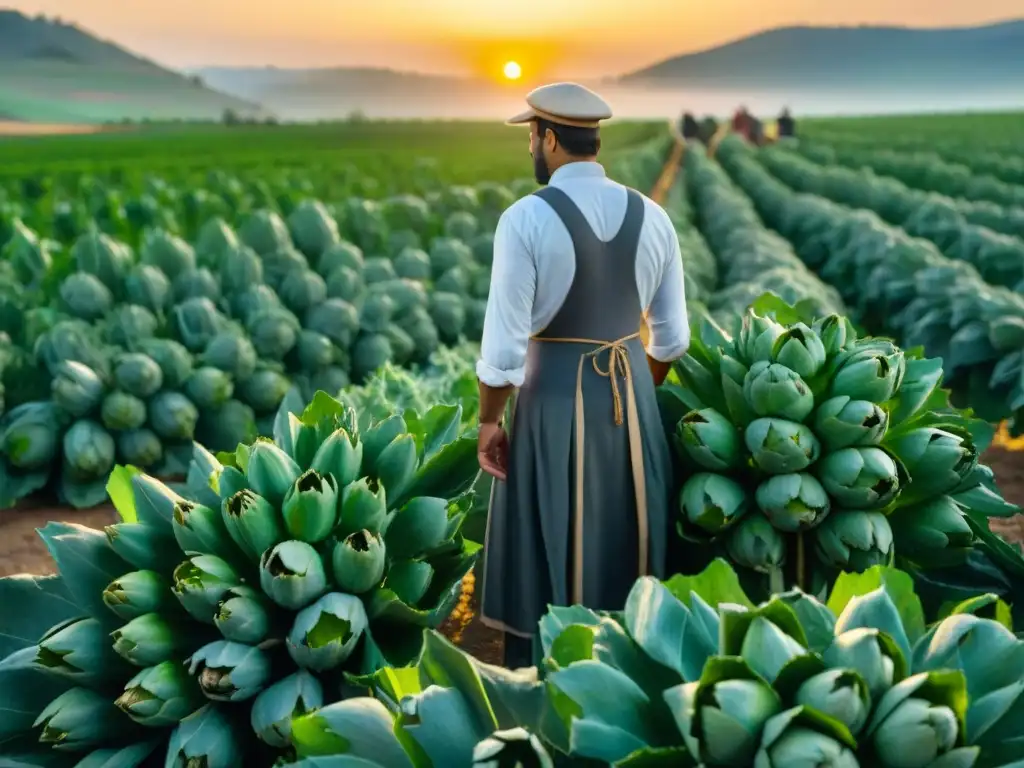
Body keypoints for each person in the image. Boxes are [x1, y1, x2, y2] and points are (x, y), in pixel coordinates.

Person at [475, 82, 691, 668]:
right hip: (634, 398)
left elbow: (503, 349)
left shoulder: (524, 218)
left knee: (549, 540)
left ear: (549, 139)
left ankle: (551, 674)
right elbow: (672, 340)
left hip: (550, 404)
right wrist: (633, 395)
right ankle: (633, 673)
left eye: (531, 137)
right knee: (632, 537)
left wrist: (490, 421)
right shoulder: (654, 216)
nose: (530, 148)